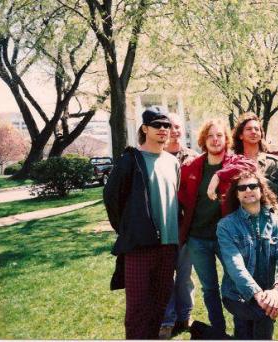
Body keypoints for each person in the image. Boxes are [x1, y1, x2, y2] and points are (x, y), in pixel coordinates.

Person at [103, 106, 180, 339]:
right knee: (137, 309)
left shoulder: (173, 162)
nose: (163, 130)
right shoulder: (130, 160)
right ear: (145, 128)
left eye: (167, 125)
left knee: (158, 306)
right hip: (139, 247)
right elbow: (112, 198)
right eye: (157, 125)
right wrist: (128, 229)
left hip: (169, 246)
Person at [178, 118, 256, 337]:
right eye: (210, 135)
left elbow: (251, 166)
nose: (215, 140)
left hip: (227, 239)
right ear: (203, 139)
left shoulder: (234, 162)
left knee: (235, 283)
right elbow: (183, 197)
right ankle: (218, 332)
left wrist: (219, 175)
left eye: (219, 135)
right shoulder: (192, 166)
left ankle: (242, 330)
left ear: (226, 139)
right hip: (198, 238)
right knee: (209, 288)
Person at [217, 171, 278, 340]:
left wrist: (277, 290)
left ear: (261, 190)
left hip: (268, 293)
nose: (248, 190)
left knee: (246, 331)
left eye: (253, 186)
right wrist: (259, 295)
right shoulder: (226, 226)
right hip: (236, 294)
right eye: (242, 188)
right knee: (263, 315)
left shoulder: (277, 223)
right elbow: (234, 265)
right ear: (236, 195)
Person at [159, 113, 199, 339]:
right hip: (164, 226)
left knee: (184, 275)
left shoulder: (192, 158)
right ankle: (168, 318)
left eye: (177, 127)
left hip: (187, 226)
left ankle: (185, 315)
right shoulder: (158, 156)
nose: (174, 131)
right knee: (166, 275)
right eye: (169, 127)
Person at [232, 112, 278, 206]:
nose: (253, 132)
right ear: (240, 135)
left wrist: (260, 179)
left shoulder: (273, 163)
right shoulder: (233, 162)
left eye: (257, 129)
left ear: (261, 134)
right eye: (249, 129)